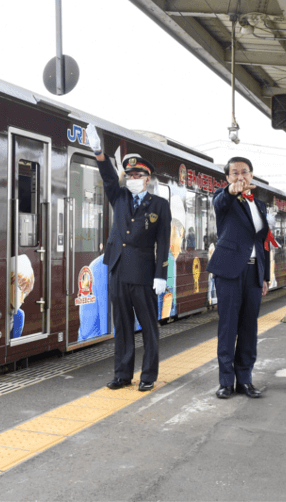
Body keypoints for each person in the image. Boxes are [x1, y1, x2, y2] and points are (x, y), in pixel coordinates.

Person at [86, 124, 171, 392]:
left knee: (148, 326)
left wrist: (161, 274)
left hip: (144, 273)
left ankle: (148, 375)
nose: (132, 177)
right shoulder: (120, 196)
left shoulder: (159, 205)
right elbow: (109, 178)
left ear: (147, 179)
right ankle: (122, 374)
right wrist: (99, 153)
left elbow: (163, 242)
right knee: (121, 326)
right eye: (130, 173)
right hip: (118, 270)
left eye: (138, 174)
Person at [206, 156, 270, 399]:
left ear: (252, 175)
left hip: (254, 272)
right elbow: (221, 201)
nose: (240, 176)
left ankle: (245, 380)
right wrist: (231, 191)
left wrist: (265, 276)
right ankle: (225, 382)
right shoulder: (224, 198)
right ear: (227, 178)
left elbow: (263, 242)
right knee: (228, 327)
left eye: (245, 172)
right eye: (234, 173)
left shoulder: (260, 205)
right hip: (229, 271)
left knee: (249, 328)